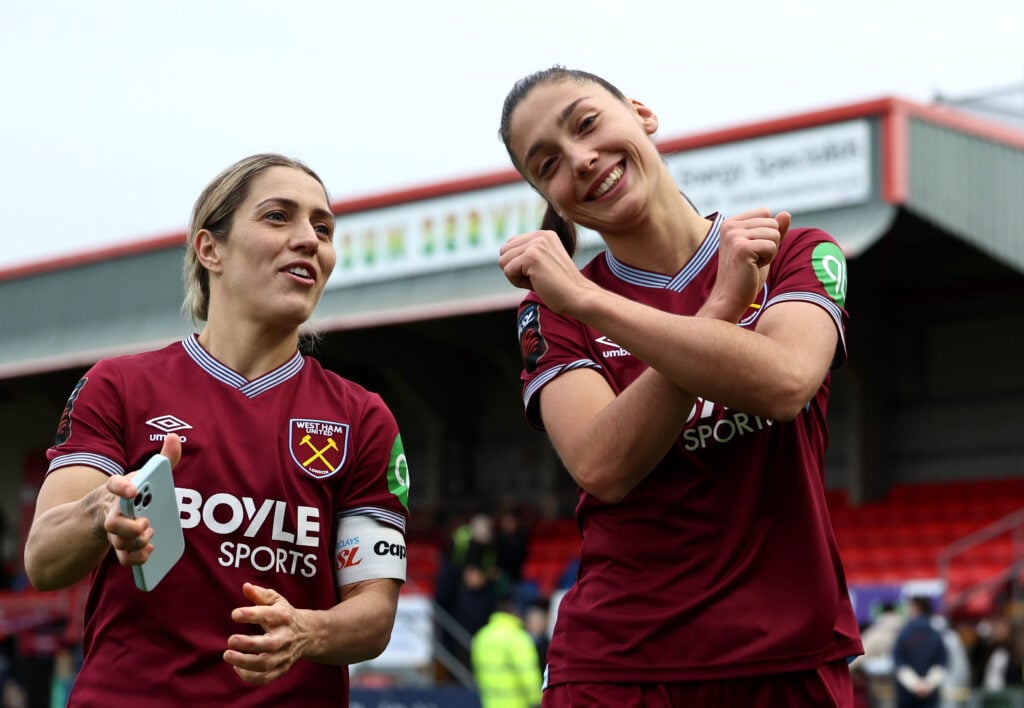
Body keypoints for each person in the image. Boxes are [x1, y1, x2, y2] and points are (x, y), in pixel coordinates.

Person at [497, 66, 862, 706]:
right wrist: (713, 314)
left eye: (587, 124)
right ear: (551, 198)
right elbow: (602, 465)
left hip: (788, 658)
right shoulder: (552, 310)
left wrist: (594, 301)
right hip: (619, 665)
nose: (580, 161)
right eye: (548, 163)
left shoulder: (792, 251)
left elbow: (784, 383)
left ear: (641, 114)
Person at [22, 154, 412, 707]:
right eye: (279, 216)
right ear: (210, 249)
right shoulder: (120, 386)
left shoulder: (363, 417)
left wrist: (307, 631)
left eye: (323, 228)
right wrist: (100, 512)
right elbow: (43, 560)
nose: (309, 239)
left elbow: (375, 616)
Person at [471, 592, 543, 708]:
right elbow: (528, 672)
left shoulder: (481, 636)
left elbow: (477, 671)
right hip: (517, 704)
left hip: (489, 703)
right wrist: (537, 699)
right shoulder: (518, 637)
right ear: (514, 612)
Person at [892, 596, 948, 708]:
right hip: (929, 694)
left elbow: (898, 661)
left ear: (916, 607)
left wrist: (914, 684)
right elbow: (942, 662)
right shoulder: (936, 634)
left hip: (907, 694)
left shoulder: (905, 632)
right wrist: (928, 684)